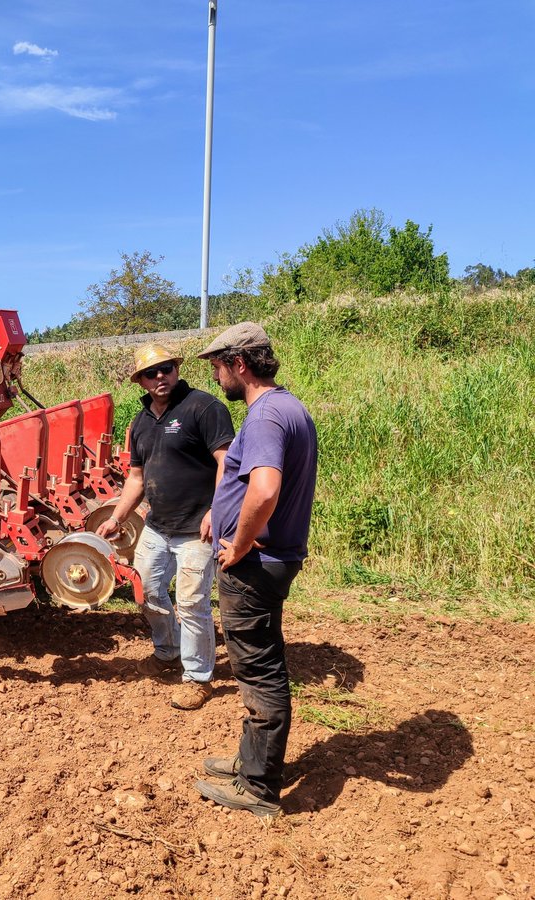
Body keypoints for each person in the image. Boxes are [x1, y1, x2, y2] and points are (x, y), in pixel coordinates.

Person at [192, 322, 318, 819]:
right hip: (272, 559)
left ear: (239, 364)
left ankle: (259, 787)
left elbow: (264, 490)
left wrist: (240, 545)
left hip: (256, 564)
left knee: (259, 670)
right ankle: (249, 763)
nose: (216, 375)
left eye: (218, 365)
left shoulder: (265, 416)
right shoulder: (288, 408)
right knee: (258, 660)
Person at [99, 344, 234, 710]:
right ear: (140, 381)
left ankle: (197, 677)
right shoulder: (141, 422)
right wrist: (116, 517)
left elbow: (227, 462)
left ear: (176, 369)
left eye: (166, 369)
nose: (160, 377)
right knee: (148, 592)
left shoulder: (203, 407)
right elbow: (136, 477)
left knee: (192, 603)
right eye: (150, 373)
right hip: (157, 528)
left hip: (197, 529)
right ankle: (168, 650)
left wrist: (216, 511)